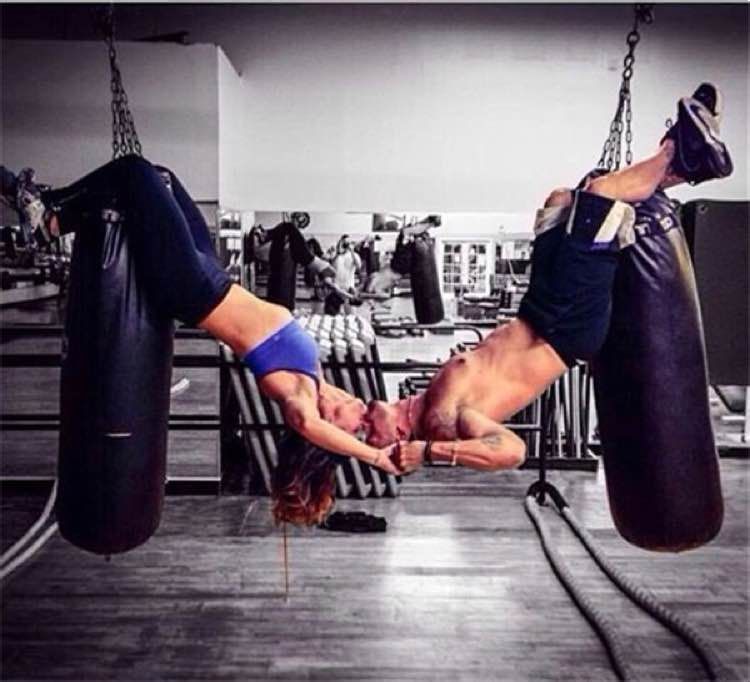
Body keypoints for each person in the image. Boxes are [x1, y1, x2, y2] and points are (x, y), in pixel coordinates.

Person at [0, 156, 401, 528]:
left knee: (134, 171)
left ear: (328, 433)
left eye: (355, 432)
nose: (361, 423)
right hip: (213, 275)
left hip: (194, 289)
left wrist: (374, 457)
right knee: (164, 178)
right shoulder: (316, 381)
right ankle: (51, 218)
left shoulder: (297, 400)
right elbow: (358, 421)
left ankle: (46, 214)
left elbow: (311, 429)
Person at [361, 82, 734, 473]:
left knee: (561, 200)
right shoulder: (441, 423)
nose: (365, 422)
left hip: (539, 310)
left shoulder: (426, 403)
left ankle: (692, 164)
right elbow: (512, 451)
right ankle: (678, 150)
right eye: (368, 435)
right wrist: (428, 453)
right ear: (395, 439)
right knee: (601, 195)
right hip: (561, 328)